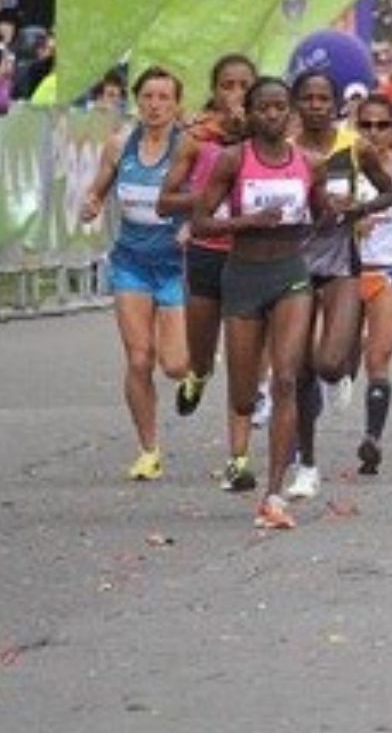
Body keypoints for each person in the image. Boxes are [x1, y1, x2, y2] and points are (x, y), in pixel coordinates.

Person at [191, 77, 333, 530]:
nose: (272, 115)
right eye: (263, 108)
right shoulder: (234, 159)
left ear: (289, 113)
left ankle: (274, 492)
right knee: (242, 394)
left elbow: (322, 212)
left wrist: (340, 209)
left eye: (279, 108)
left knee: (287, 379)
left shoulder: (309, 162)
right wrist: (248, 221)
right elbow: (199, 221)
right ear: (250, 114)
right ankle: (248, 449)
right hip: (244, 278)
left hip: (290, 275)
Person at [285, 71, 392, 500]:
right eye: (308, 98)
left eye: (323, 98)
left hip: (339, 263)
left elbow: (391, 193)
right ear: (297, 103)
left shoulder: (354, 147)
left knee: (329, 363)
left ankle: (333, 375)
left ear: (335, 104)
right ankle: (307, 464)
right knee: (297, 369)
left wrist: (359, 209)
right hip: (291, 265)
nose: (315, 105)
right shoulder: (285, 151)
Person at [80, 67, 189, 481]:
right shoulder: (119, 144)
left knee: (175, 365)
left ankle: (195, 361)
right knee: (139, 358)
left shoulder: (187, 148)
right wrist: (91, 203)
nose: (155, 105)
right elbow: (98, 189)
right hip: (131, 263)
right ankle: (148, 449)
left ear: (177, 105)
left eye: (164, 98)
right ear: (136, 100)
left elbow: (206, 199)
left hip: (175, 267)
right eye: (147, 97)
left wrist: (191, 225)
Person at [156, 54, 258, 490]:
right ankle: (197, 376)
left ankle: (239, 459)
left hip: (252, 259)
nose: (235, 94)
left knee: (244, 363)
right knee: (201, 353)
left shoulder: (269, 140)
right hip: (206, 254)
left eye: (243, 86)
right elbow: (166, 201)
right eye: (227, 85)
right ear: (214, 90)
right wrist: (206, 197)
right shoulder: (197, 139)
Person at [349, 94, 392, 474]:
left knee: (378, 358)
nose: (374, 132)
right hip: (345, 272)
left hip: (389, 270)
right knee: (333, 358)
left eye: (382, 125)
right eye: (366, 125)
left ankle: (372, 440)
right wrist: (349, 224)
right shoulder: (343, 169)